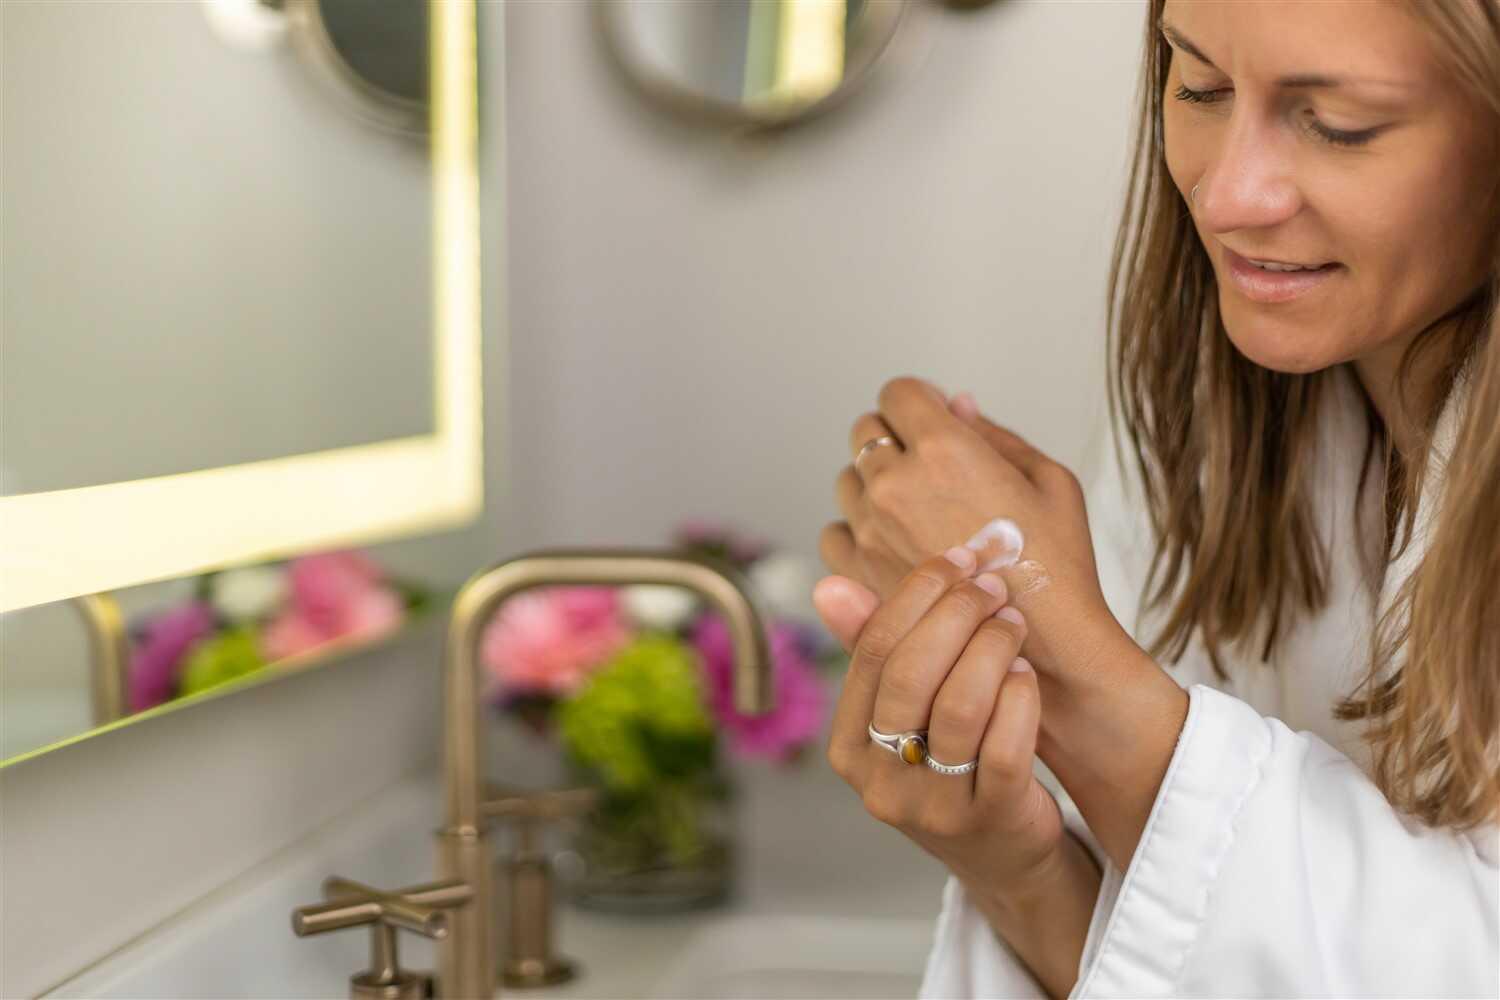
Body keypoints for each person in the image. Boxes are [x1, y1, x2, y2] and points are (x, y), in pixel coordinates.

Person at [812, 1, 1500, 995]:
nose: (1226, 195)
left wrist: (1064, 657)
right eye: (1200, 86)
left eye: (1340, 123)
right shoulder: (1206, 429)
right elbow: (1189, 957)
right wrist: (1018, 866)